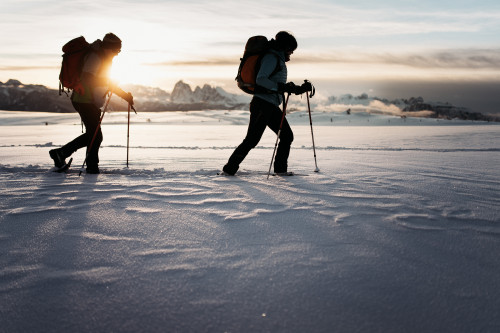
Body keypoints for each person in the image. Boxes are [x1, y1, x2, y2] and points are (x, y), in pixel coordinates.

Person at [222, 31, 312, 176]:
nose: (291, 53)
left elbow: (278, 84)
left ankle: (280, 170)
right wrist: (281, 87)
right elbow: (261, 79)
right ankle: (229, 169)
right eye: (290, 49)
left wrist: (299, 89)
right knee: (252, 140)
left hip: (269, 105)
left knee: (286, 136)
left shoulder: (277, 59)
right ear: (284, 47)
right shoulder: (271, 57)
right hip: (262, 105)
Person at [50, 33, 134, 174]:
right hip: (84, 100)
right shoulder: (96, 58)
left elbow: (105, 81)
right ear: (108, 47)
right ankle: (89, 166)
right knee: (95, 135)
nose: (117, 54)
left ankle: (66, 155)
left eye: (119, 51)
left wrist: (124, 95)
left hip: (89, 101)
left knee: (93, 134)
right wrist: (107, 84)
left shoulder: (103, 58)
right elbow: (88, 78)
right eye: (116, 50)